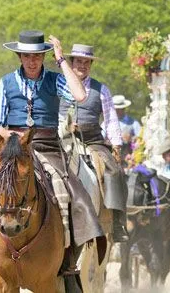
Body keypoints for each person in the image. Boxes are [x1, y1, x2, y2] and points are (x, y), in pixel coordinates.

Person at [0, 30, 105, 293]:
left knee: (73, 195)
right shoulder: (7, 82)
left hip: (47, 146)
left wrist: (61, 60)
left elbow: (80, 95)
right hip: (13, 148)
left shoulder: (54, 79)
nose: (32, 61)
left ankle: (69, 267)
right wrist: (12, 138)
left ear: (43, 57)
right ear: (19, 56)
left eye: (37, 56)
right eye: (27, 56)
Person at [58, 44, 129, 242]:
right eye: (79, 61)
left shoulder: (101, 89)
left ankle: (117, 222)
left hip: (92, 141)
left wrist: (115, 146)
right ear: (71, 63)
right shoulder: (59, 84)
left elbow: (111, 119)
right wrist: (64, 126)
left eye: (86, 62)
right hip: (60, 139)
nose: (82, 65)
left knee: (114, 172)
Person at [113, 94, 140, 165]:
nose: (117, 111)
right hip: (112, 159)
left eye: (119, 109)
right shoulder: (107, 123)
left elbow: (140, 139)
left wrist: (132, 139)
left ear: (124, 109)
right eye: (116, 109)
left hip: (130, 159)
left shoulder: (133, 123)